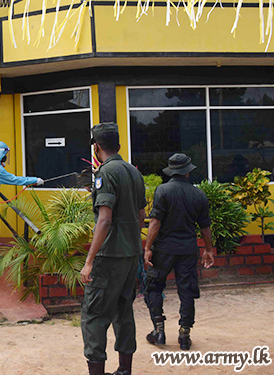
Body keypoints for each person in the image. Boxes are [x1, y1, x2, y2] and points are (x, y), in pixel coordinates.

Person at [81, 123, 146, 375]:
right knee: (124, 312)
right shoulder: (133, 172)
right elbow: (141, 217)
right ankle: (124, 370)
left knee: (94, 315)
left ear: (96, 147)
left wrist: (89, 261)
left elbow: (105, 219)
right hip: (130, 256)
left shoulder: (105, 173)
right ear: (118, 145)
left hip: (108, 257)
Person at [144, 153, 215, 351]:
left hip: (164, 249)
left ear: (171, 172)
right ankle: (184, 335)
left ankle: (158, 330)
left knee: (154, 286)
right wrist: (208, 250)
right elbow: (205, 227)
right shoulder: (198, 194)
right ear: (188, 172)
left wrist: (148, 247)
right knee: (187, 290)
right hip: (188, 249)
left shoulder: (163, 190)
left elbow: (155, 222)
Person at [0, 141, 42, 271]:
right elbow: (13, 179)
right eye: (5, 154)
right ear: (2, 153)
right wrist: (34, 180)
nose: (6, 157)